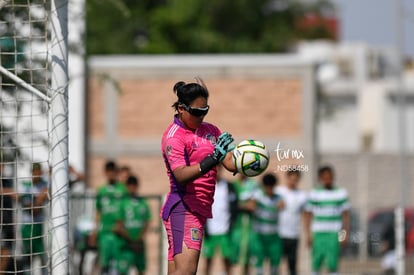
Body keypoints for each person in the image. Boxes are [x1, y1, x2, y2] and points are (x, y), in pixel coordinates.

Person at [161, 79, 236, 275]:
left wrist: (247, 158)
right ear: (181, 108)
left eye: (205, 111)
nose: (201, 116)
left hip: (199, 210)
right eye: (197, 112)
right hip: (184, 208)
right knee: (187, 272)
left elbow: (229, 162)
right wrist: (212, 159)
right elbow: (181, 175)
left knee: (178, 271)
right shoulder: (174, 136)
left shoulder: (211, 131)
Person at [304, 166, 350, 275]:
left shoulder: (341, 193)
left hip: (334, 234)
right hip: (318, 234)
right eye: (325, 177)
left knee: (333, 263)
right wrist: (308, 235)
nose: (327, 180)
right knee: (316, 263)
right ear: (320, 178)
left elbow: (346, 216)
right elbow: (308, 215)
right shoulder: (314, 193)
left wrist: (343, 235)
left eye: (329, 177)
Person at [91, 160, 128, 275]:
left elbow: (127, 210)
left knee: (119, 267)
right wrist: (95, 230)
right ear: (105, 173)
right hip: (105, 233)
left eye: (113, 172)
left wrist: (121, 225)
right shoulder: (101, 190)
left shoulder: (122, 189)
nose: (111, 174)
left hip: (118, 234)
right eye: (109, 172)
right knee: (104, 265)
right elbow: (98, 211)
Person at [203, 169, 238, 275]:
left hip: (225, 229)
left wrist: (232, 223)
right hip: (210, 230)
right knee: (208, 260)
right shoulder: (205, 186)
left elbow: (234, 205)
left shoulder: (228, 186)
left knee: (227, 259)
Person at [115, 175, 151, 275]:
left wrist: (139, 238)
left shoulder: (143, 203)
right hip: (126, 244)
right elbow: (119, 224)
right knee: (122, 270)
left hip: (139, 244)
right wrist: (130, 239)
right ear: (127, 186)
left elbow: (147, 222)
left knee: (140, 270)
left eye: (134, 185)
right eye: (130, 185)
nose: (132, 188)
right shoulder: (122, 203)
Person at [249, 173, 284, 275]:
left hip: (273, 238)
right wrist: (254, 205)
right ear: (263, 186)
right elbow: (250, 205)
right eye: (267, 187)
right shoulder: (258, 196)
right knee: (259, 268)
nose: (269, 189)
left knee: (274, 268)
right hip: (259, 238)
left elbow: (282, 205)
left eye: (271, 187)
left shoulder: (278, 198)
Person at [276, 170, 307, 275]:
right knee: (276, 264)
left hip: (293, 235)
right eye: (291, 178)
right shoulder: (278, 192)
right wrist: (277, 206)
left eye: (295, 179)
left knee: (292, 265)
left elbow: (305, 215)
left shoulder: (302, 195)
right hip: (278, 234)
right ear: (287, 178)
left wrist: (307, 233)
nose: (293, 181)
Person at [19, 162, 49, 274]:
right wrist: (39, 201)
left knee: (42, 255)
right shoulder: (25, 186)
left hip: (39, 226)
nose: (37, 174)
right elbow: (31, 209)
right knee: (28, 255)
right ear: (32, 173)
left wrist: (39, 200)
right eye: (35, 172)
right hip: (27, 226)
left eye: (39, 172)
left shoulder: (45, 185)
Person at [230, 174, 260, 275]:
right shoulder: (232, 185)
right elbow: (230, 204)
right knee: (232, 258)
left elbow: (253, 206)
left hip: (248, 227)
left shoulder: (253, 185)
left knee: (246, 260)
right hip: (235, 227)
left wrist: (238, 205)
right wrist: (242, 205)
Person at [0, 162, 16, 272]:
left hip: (7, 224)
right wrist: (8, 192)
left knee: (6, 253)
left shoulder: (7, 181)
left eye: (2, 165)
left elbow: (15, 195)